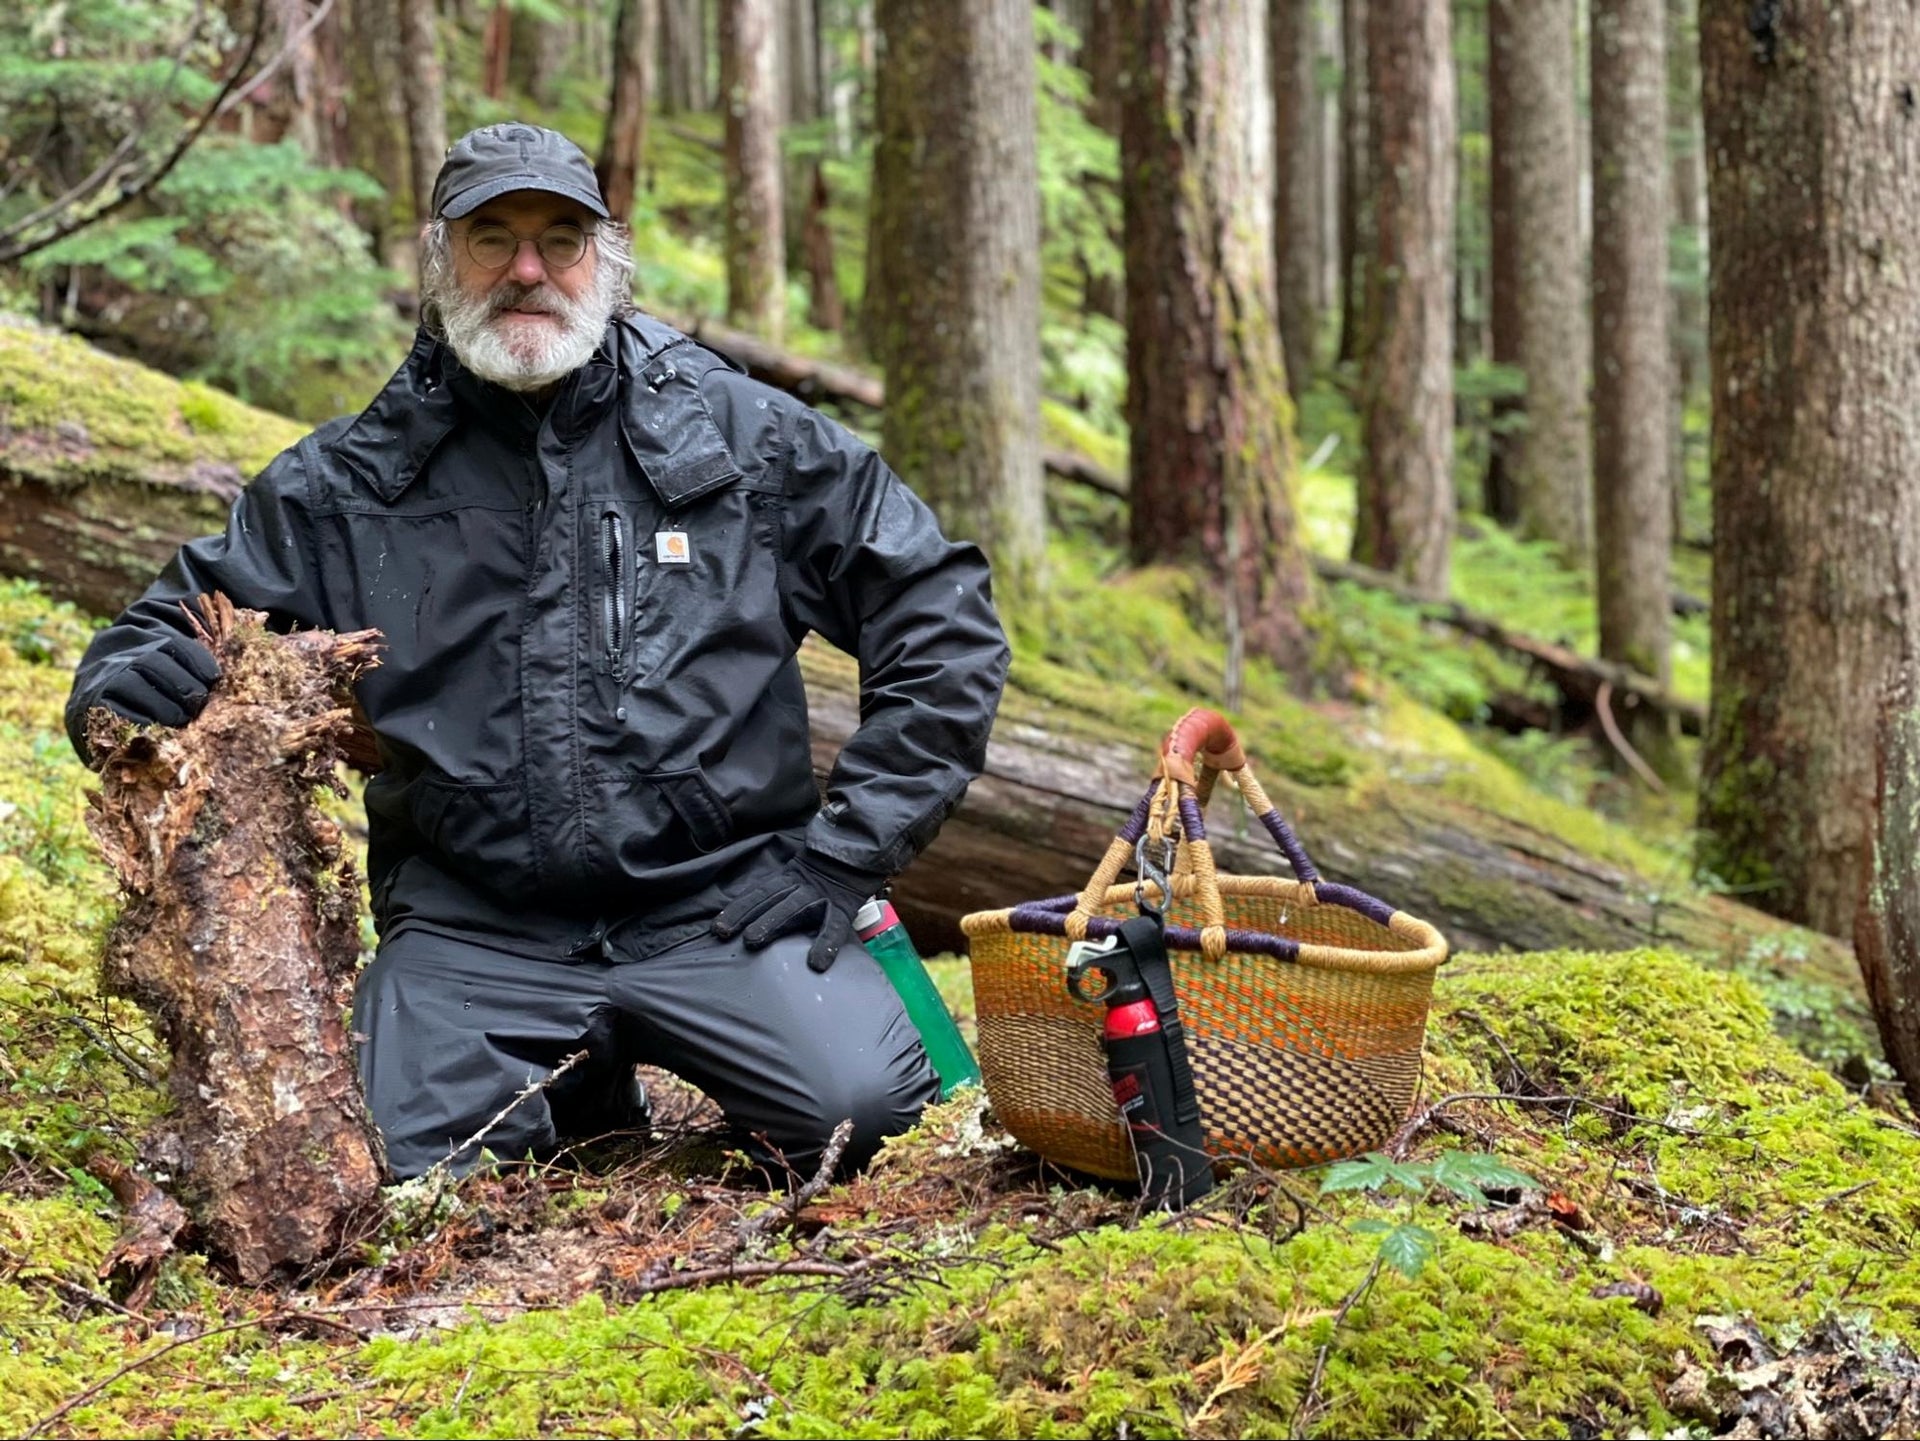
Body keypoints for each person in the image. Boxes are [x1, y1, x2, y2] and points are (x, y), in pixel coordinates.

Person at [65, 123, 1010, 1181]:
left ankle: (620, 1063)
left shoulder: (741, 438)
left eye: (560, 239)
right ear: (440, 259)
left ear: (605, 258)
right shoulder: (354, 478)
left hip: (728, 902)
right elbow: (157, 632)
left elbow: (941, 613)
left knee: (876, 1125)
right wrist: (126, 689)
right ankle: (577, 1084)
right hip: (475, 922)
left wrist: (845, 851)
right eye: (491, 237)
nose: (527, 270)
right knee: (386, 1166)